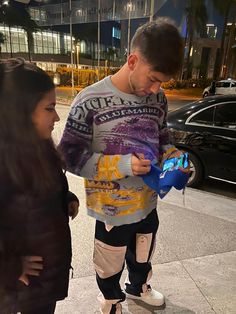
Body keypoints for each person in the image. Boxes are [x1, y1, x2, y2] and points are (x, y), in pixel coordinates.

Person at [59, 18, 186, 314]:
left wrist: (177, 159)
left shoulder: (158, 98)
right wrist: (124, 164)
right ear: (133, 60)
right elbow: (69, 156)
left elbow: (163, 138)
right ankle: (111, 301)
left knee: (143, 253)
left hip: (148, 202)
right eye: (153, 78)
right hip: (111, 211)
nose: (156, 88)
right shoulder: (89, 101)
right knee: (109, 261)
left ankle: (138, 288)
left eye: (161, 83)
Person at [0, 58, 79, 314]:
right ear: (19, 112)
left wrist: (65, 197)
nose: (57, 116)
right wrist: (10, 267)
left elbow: (43, 189)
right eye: (49, 108)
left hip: (43, 283)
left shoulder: (41, 147)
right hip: (15, 286)